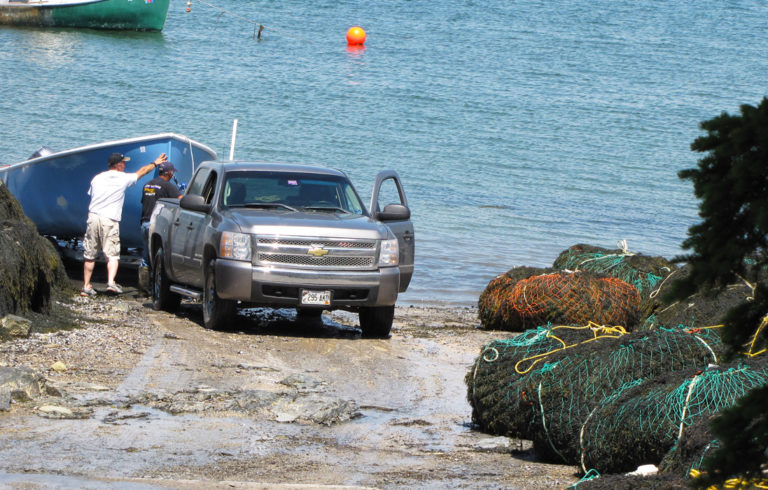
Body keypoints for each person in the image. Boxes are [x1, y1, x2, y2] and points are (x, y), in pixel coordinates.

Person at [81, 152, 167, 297]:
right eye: (124, 163)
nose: (125, 165)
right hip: (109, 219)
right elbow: (141, 172)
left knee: (90, 254)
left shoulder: (97, 178)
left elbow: (92, 194)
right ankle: (111, 283)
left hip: (93, 217)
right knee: (112, 254)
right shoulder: (122, 177)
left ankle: (86, 286)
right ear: (119, 165)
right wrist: (155, 163)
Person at [138, 161, 183, 294]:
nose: (173, 174)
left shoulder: (147, 184)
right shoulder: (168, 186)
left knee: (146, 257)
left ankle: (143, 290)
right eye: (172, 172)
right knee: (159, 258)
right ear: (169, 173)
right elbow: (181, 200)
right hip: (156, 225)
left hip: (144, 223)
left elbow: (144, 202)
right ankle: (156, 289)